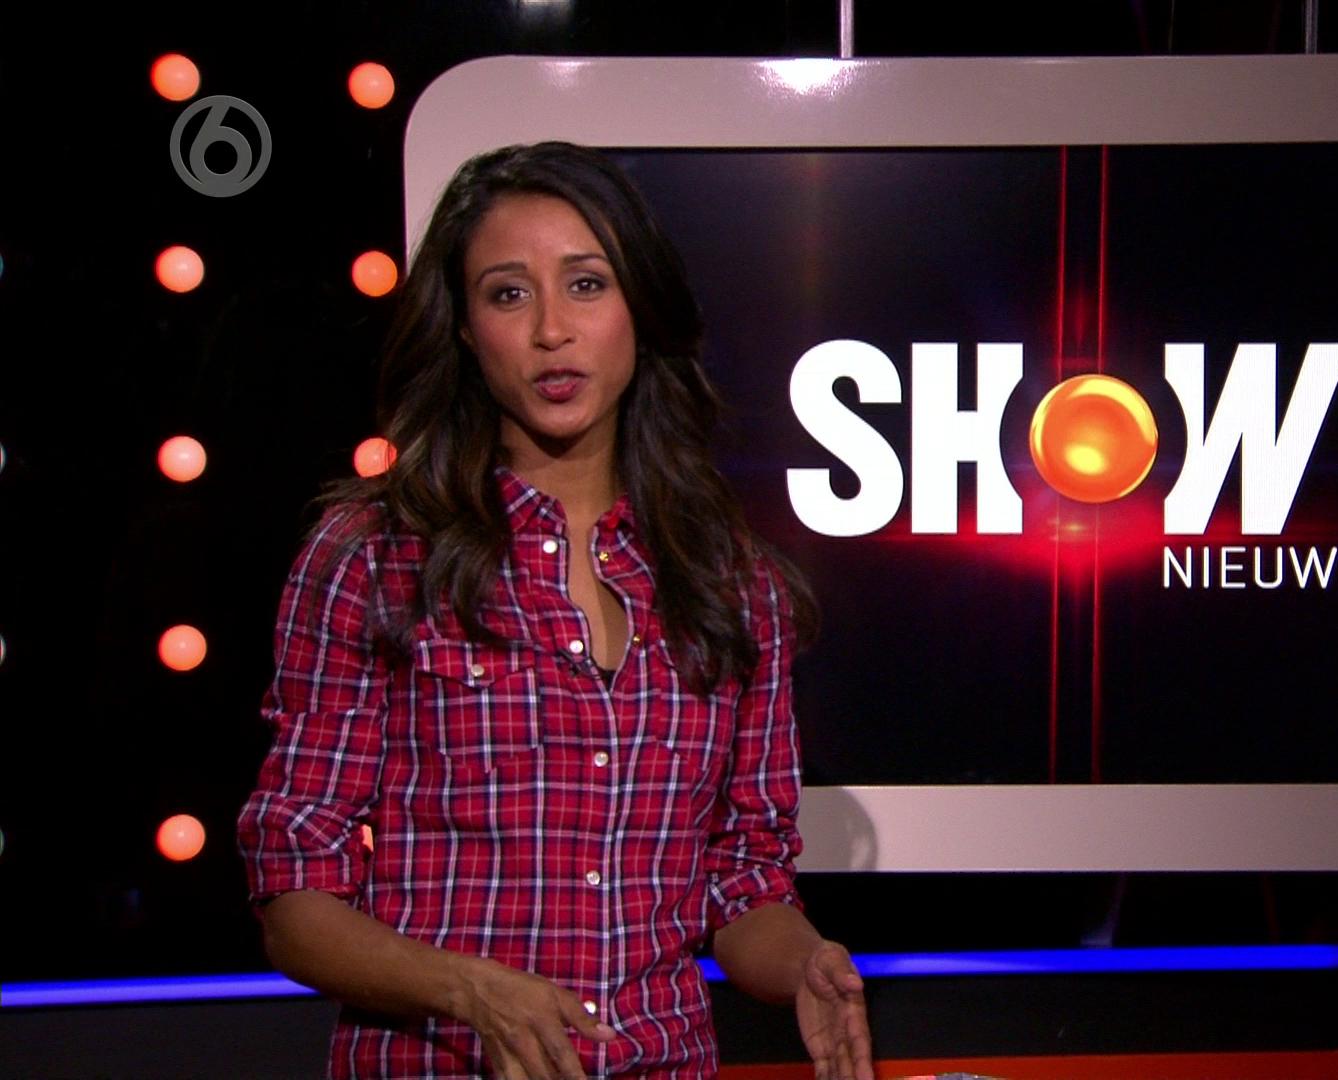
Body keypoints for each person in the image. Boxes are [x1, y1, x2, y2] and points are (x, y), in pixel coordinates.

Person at [236, 140, 872, 1080]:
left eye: (585, 285)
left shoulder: (732, 584)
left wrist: (805, 966)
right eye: (507, 294)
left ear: (638, 306)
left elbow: (744, 883)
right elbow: (295, 898)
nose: (549, 332)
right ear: (464, 329)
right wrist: (470, 990)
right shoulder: (375, 556)